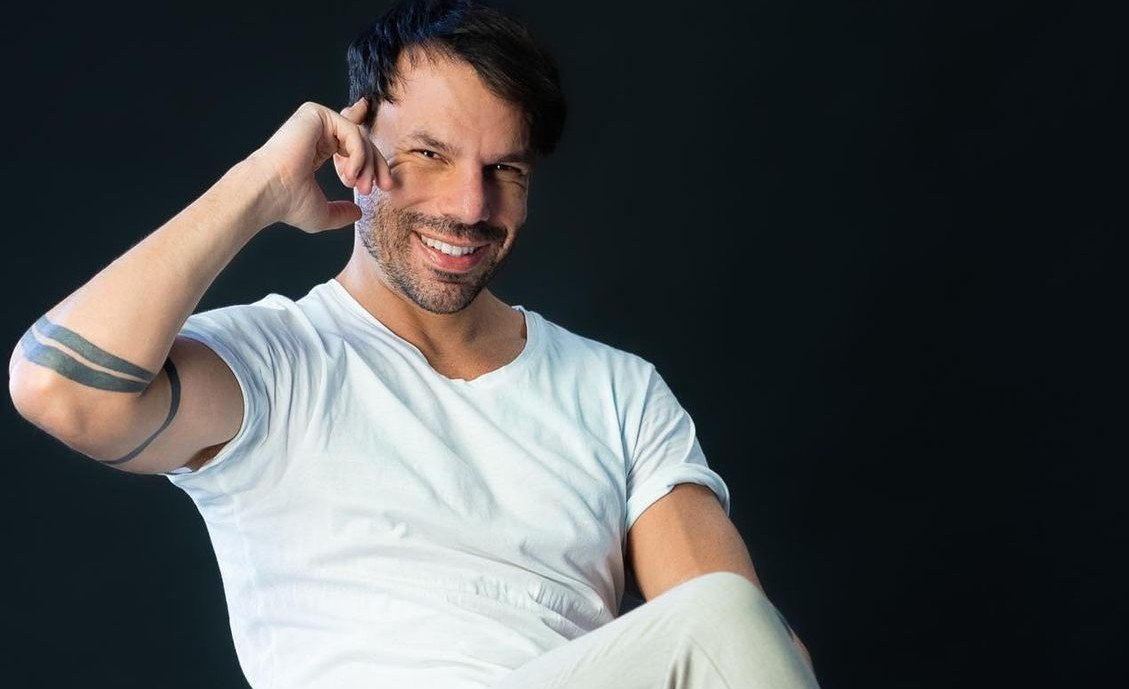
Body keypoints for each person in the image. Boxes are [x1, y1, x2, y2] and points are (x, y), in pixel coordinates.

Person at [9, 1, 820, 687]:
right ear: (351, 143)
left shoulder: (616, 391)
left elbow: (740, 645)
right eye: (429, 155)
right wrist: (259, 183)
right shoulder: (272, 362)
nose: (469, 205)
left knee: (728, 613)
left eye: (505, 169)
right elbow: (58, 388)